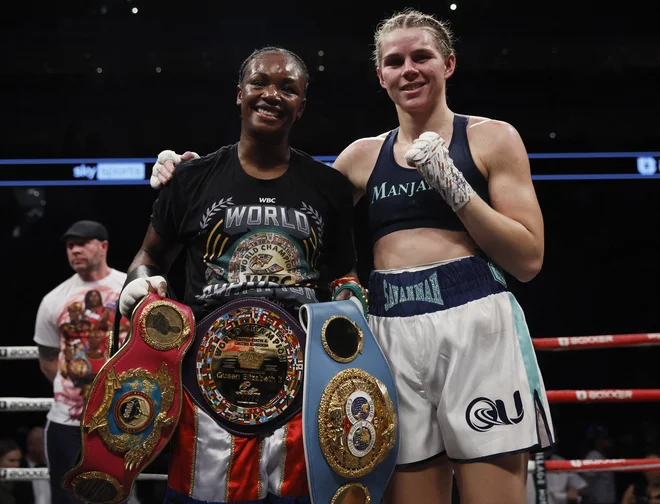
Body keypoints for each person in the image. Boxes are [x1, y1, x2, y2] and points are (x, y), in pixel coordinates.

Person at [150, 9, 555, 504]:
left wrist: (453, 186)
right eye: (394, 60)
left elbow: (528, 259)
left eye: (421, 56)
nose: (409, 69)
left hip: (478, 326)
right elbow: (286, 193)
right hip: (391, 333)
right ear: (380, 75)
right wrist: (188, 175)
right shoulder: (360, 158)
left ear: (448, 64)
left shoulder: (492, 137)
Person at [119, 46, 360, 504]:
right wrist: (139, 284)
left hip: (303, 391)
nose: (272, 94)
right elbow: (149, 255)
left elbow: (343, 274)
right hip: (207, 391)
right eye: (260, 83)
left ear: (301, 104)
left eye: (287, 88)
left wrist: (352, 296)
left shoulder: (328, 188)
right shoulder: (192, 179)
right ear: (239, 94)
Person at [33, 219, 130, 504]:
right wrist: (83, 391)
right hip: (68, 421)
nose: (74, 250)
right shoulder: (54, 300)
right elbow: (48, 361)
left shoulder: (131, 288)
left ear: (103, 246)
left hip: (119, 419)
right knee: (67, 499)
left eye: (82, 244)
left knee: (113, 498)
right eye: (70, 246)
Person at [23, 426, 51, 504]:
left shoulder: (56, 466)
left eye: (47, 441)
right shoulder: (18, 466)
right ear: (30, 445)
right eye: (41, 442)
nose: (45, 446)